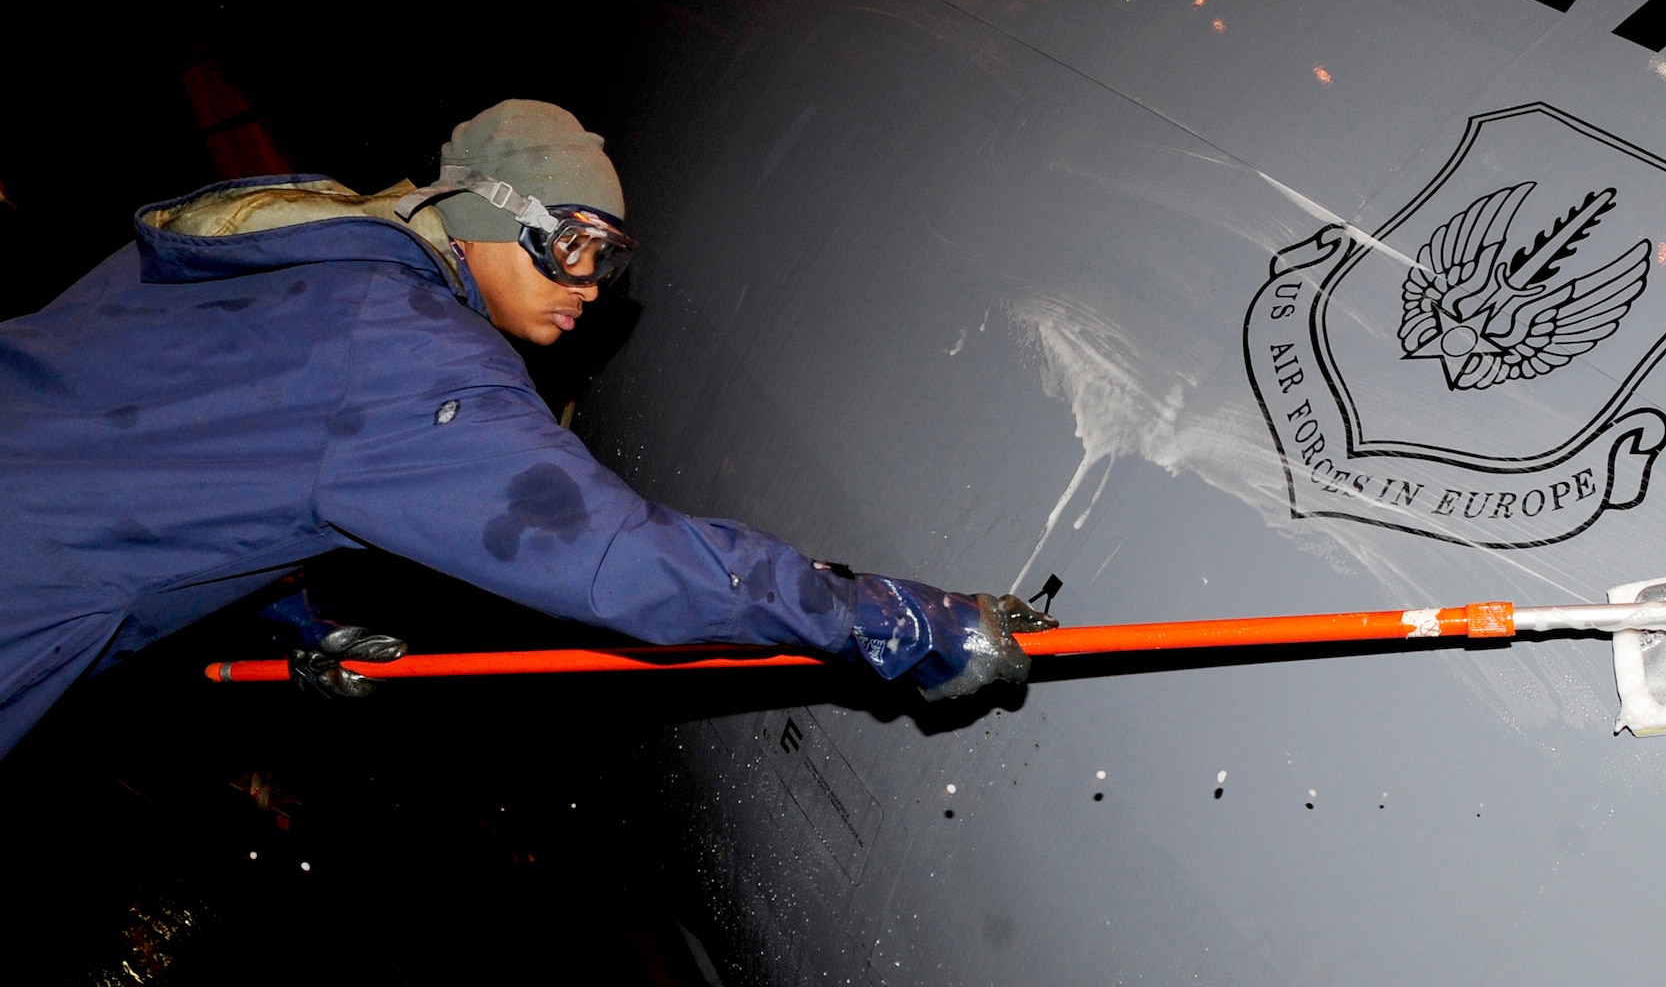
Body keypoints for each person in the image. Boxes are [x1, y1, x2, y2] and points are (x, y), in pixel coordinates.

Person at [0, 100, 1052, 758]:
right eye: (581, 248)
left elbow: (176, 460)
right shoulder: (408, 348)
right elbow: (613, 559)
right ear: (498, 212)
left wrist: (295, 617)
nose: (593, 290)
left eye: (614, 263)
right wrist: (879, 618)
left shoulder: (282, 253)